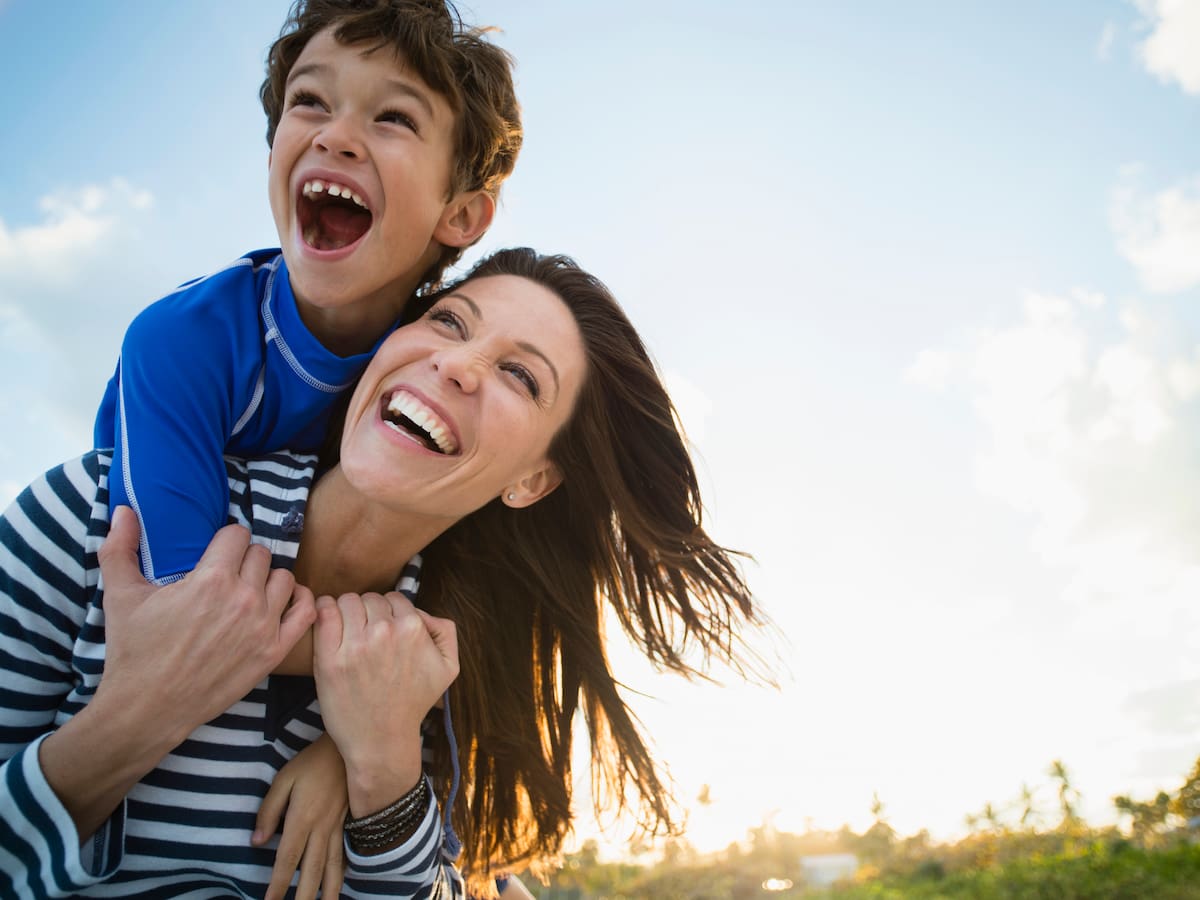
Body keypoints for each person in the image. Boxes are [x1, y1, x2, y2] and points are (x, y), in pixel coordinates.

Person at [0, 249, 764, 898]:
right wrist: (140, 716)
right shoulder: (97, 516)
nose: (458, 364)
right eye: (448, 322)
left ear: (532, 480)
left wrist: (382, 767)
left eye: (520, 377)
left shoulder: (450, 685)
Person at [94, 0, 521, 587]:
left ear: (462, 214)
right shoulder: (180, 342)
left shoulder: (439, 375)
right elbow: (175, 610)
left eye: (394, 117)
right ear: (274, 156)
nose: (335, 136)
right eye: (310, 102)